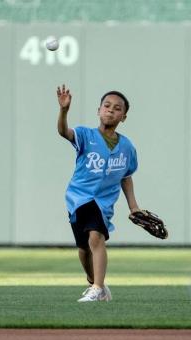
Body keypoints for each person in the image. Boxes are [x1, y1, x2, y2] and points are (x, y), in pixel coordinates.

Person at [56, 84, 140, 302]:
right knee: (84, 248)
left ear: (124, 117)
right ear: (99, 110)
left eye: (117, 108)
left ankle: (98, 286)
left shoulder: (127, 147)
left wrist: (133, 207)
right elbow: (64, 132)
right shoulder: (85, 134)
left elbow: (126, 176)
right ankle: (94, 283)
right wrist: (64, 110)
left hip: (102, 203)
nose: (111, 110)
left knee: (96, 237)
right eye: (107, 105)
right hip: (78, 197)